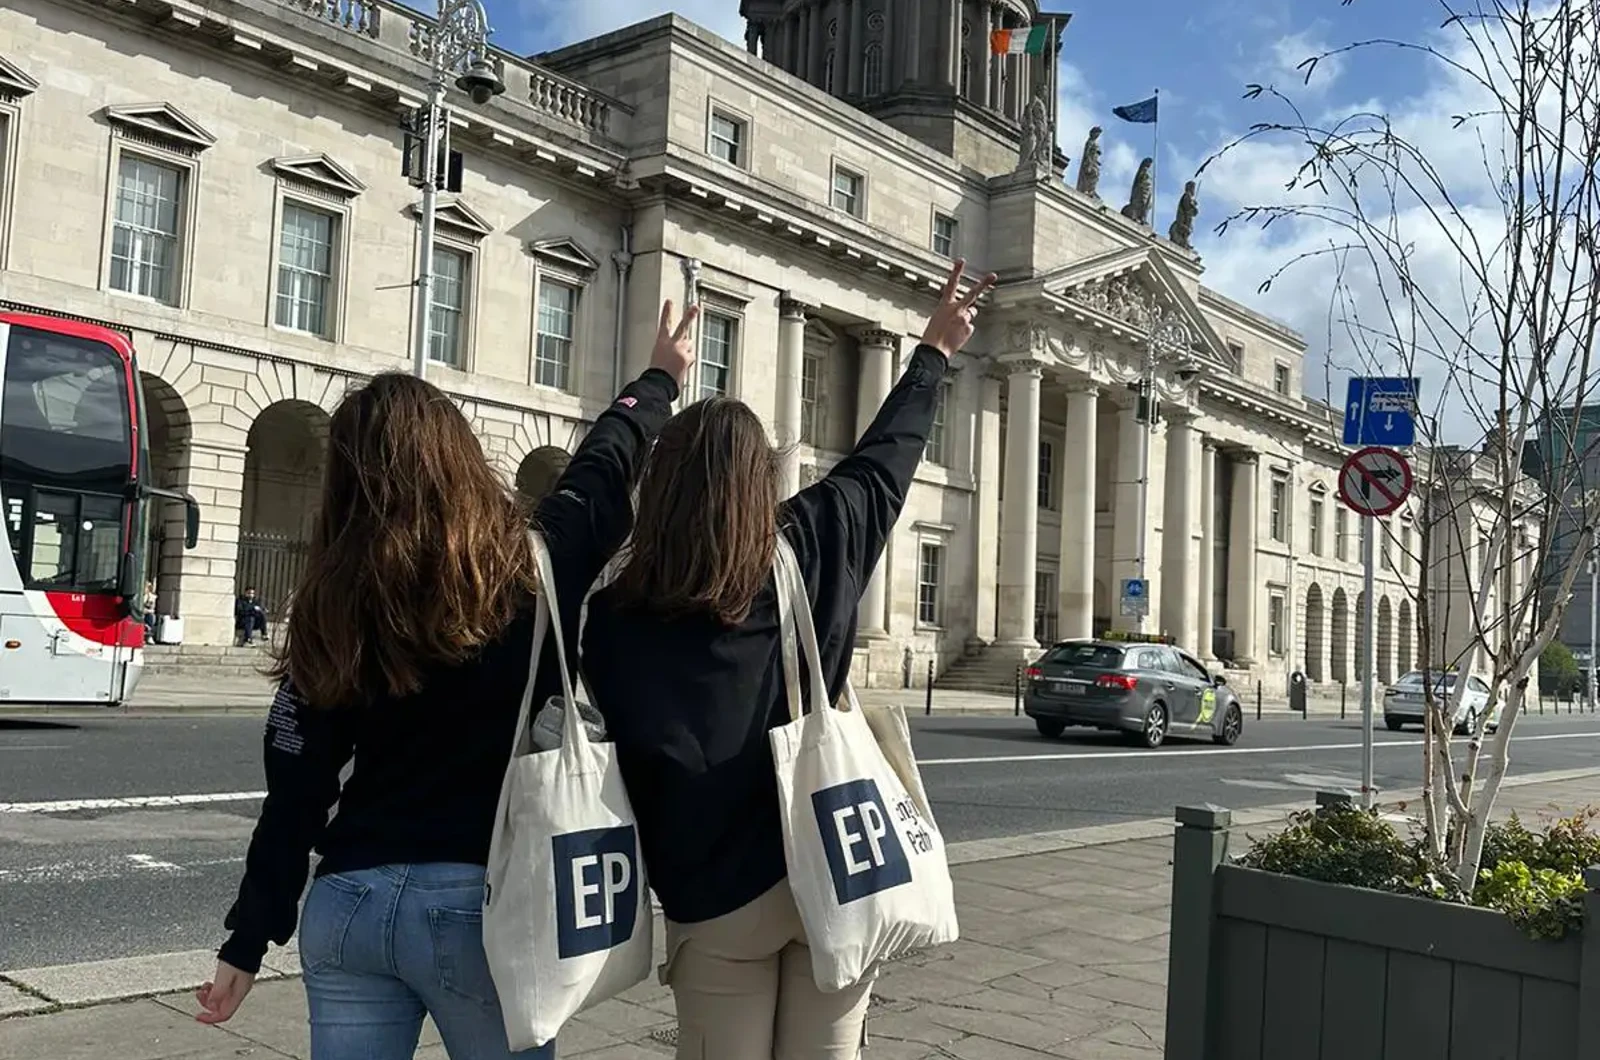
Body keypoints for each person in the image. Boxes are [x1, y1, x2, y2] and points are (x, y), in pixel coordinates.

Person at [194, 301, 699, 1059]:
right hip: (483, 904)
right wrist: (657, 380)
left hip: (349, 904)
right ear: (460, 458)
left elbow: (295, 792)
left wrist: (247, 939)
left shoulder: (333, 601)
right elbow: (604, 463)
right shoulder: (535, 564)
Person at [583, 261, 994, 1059]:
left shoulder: (615, 619)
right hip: (834, 867)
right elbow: (884, 462)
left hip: (713, 899)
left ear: (660, 489)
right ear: (763, 479)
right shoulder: (811, 547)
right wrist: (934, 353)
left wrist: (655, 385)